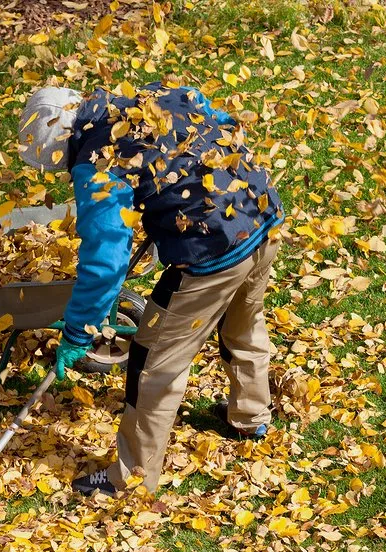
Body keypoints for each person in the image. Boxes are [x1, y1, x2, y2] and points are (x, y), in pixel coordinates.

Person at [17, 80, 284, 496]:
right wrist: (176, 197)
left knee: (152, 361)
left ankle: (133, 477)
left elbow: (105, 261)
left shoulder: (98, 162)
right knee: (242, 323)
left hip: (212, 253)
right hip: (261, 216)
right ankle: (251, 418)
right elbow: (217, 121)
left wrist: (78, 329)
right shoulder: (149, 98)